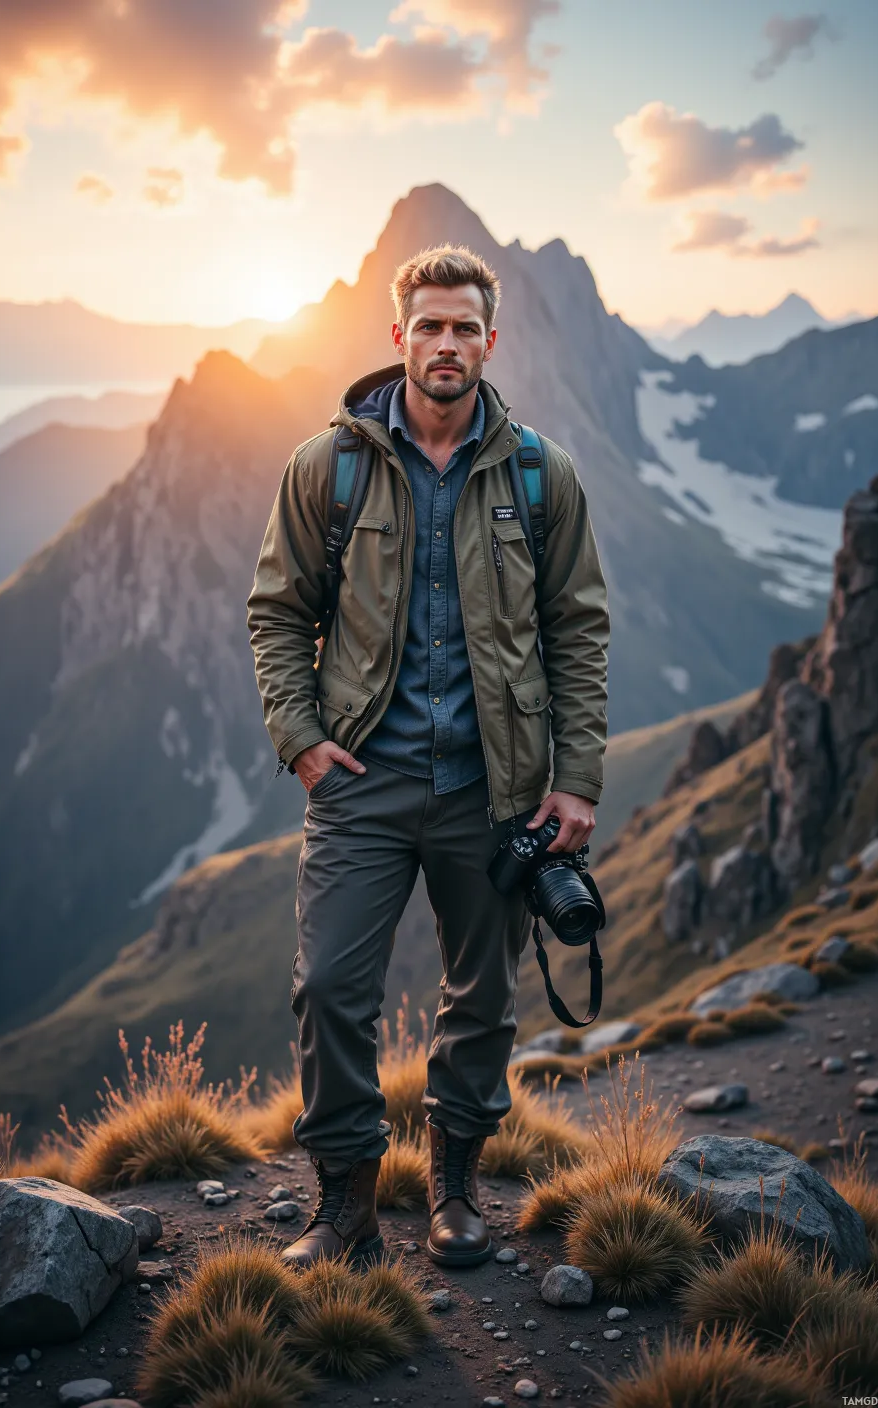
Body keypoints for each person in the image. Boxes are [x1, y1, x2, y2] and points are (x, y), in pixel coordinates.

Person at [247, 244, 609, 1269]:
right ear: (396, 335)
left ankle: (453, 1186)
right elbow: (277, 613)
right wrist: (303, 741)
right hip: (362, 780)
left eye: (464, 328)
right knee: (327, 989)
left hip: (494, 795)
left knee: (482, 997)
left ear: (490, 343)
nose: (445, 343)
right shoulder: (330, 465)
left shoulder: (540, 474)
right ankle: (345, 1203)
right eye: (428, 324)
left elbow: (578, 628)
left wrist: (575, 776)